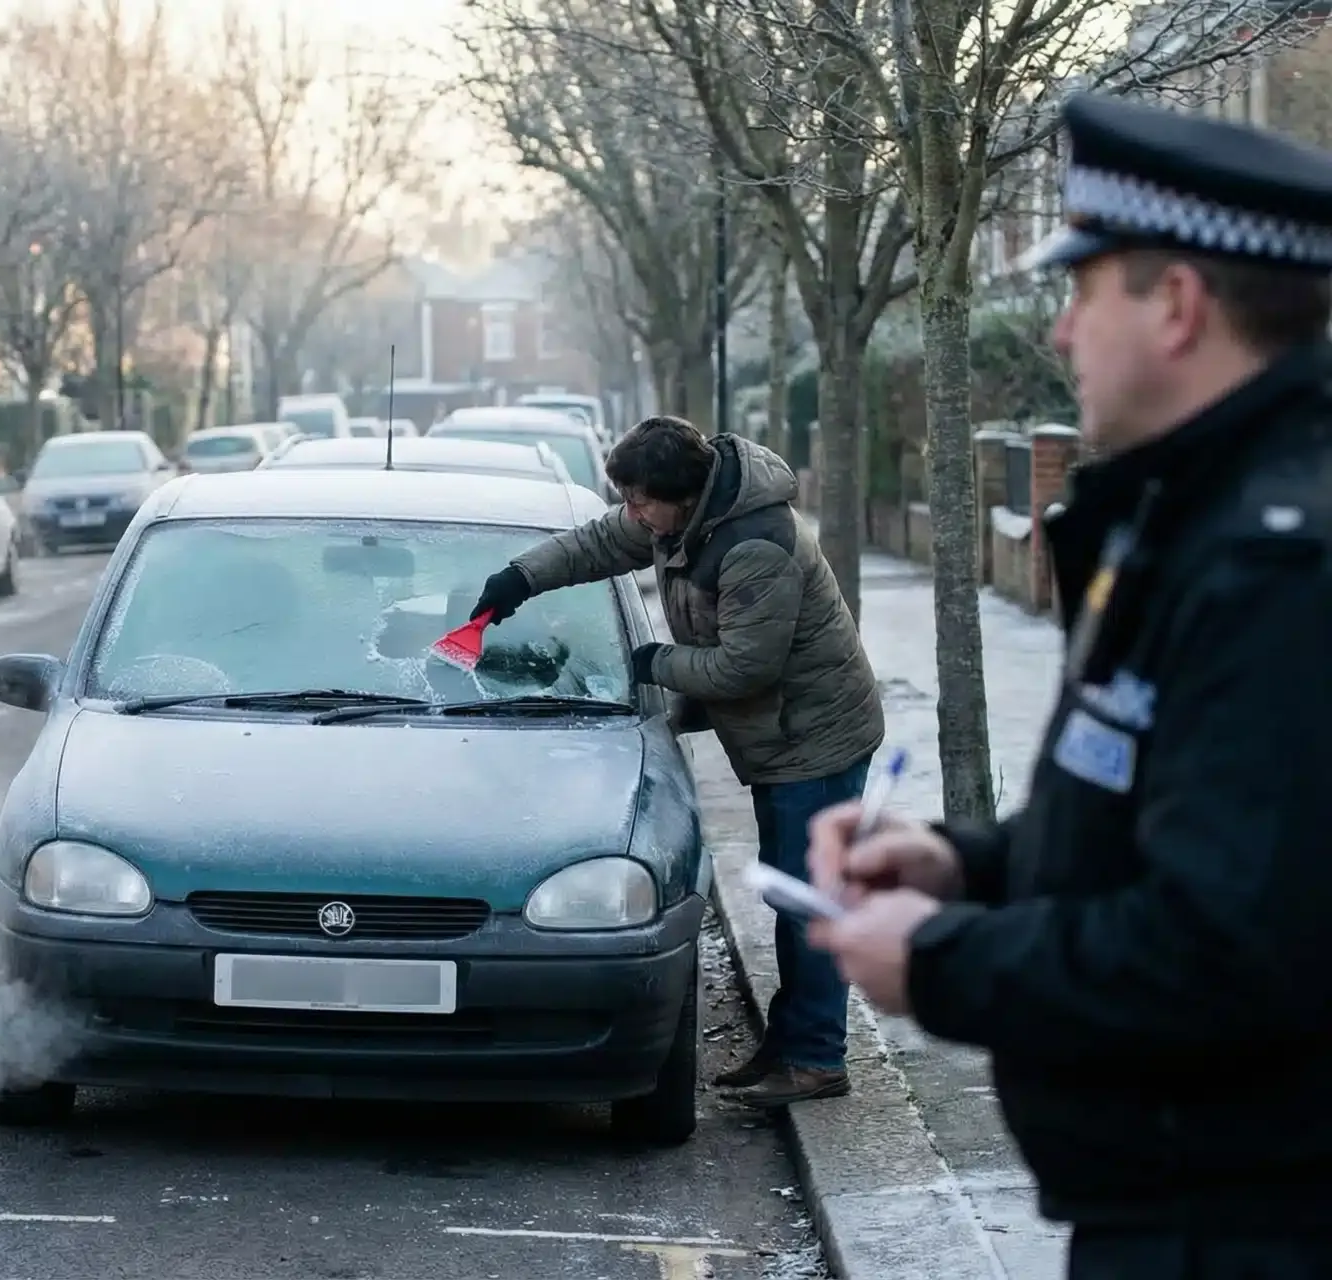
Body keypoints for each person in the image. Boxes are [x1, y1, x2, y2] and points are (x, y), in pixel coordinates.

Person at [805, 91, 1332, 1279]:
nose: (1058, 335)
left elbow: (1226, 949)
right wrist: (966, 863)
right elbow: (1164, 821)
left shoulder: (1279, 565)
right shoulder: (1191, 513)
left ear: (1179, 305)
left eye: (1084, 290)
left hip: (1252, 1227)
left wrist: (940, 958)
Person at [469, 414, 884, 1107]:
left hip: (816, 738)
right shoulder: (678, 516)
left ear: (683, 497)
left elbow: (745, 667)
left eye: (641, 502)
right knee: (790, 897)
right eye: (627, 499)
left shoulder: (757, 546)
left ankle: (815, 1060)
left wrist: (656, 662)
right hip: (782, 736)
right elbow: (600, 542)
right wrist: (519, 579)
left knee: (808, 904)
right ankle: (791, 1045)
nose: (632, 514)